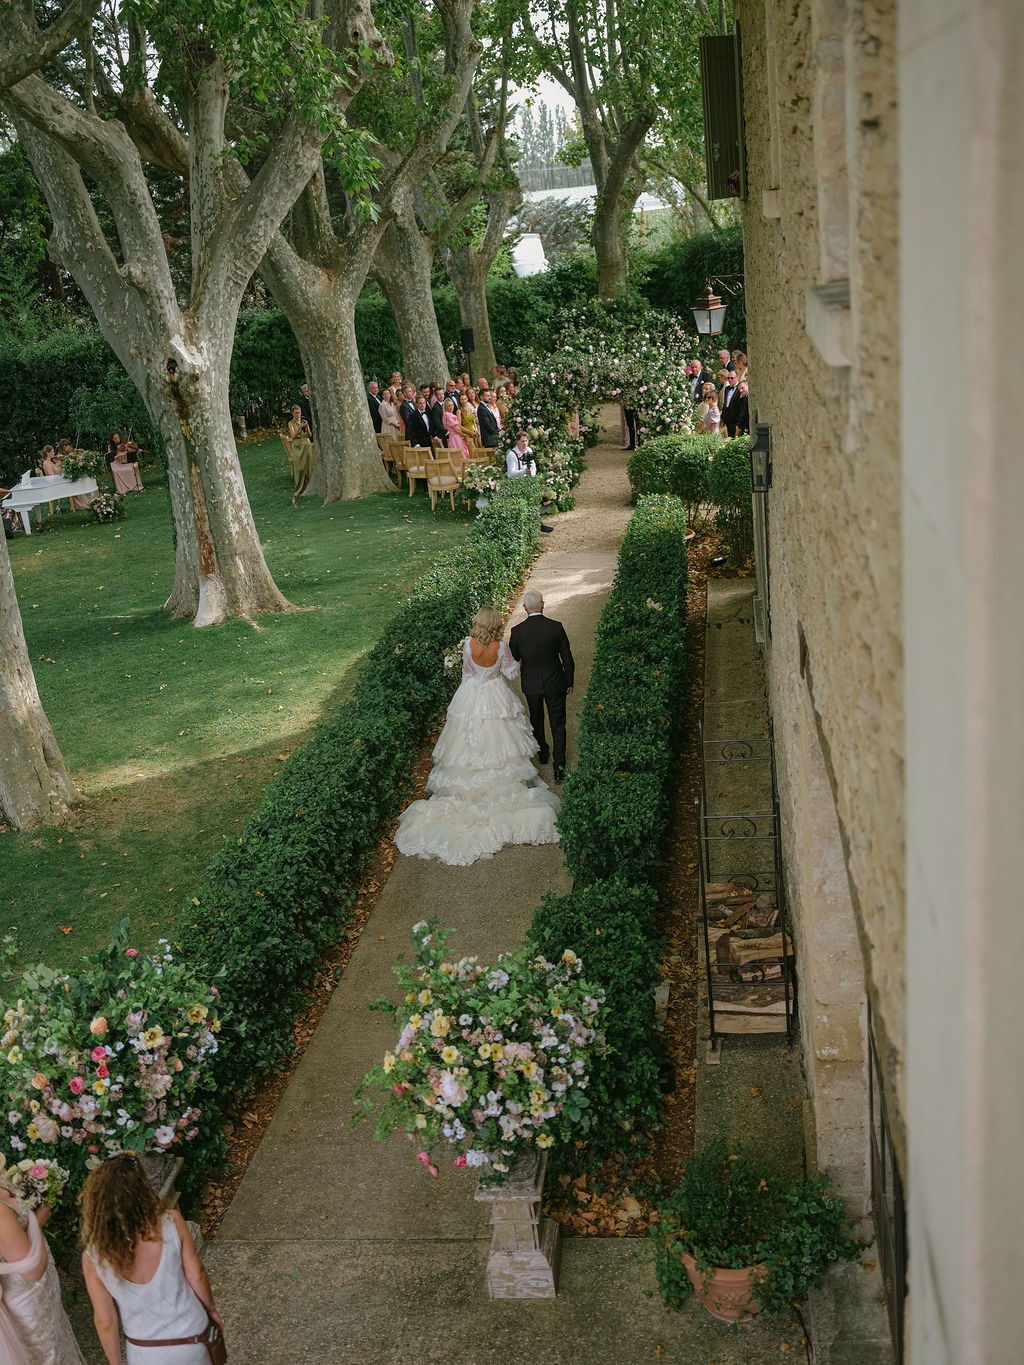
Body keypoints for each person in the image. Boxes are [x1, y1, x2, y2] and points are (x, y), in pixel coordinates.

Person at [394, 607, 560, 866]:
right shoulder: (501, 646)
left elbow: (467, 674)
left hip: (470, 695)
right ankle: (502, 789)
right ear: (495, 624)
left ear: (478, 623)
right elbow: (510, 674)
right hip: (495, 695)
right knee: (502, 742)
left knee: (466, 742)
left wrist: (467, 698)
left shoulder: (469, 645)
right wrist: (519, 664)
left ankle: (466, 790)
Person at [80, 1155, 222, 1365]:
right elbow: (196, 1275)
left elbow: (106, 1321)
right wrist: (211, 1310)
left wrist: (115, 1363)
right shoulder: (172, 1222)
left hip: (146, 1352)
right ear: (142, 1190)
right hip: (193, 1337)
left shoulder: (93, 1256)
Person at [0, 1178, 85, 1364]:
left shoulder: (3, 1182)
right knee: (45, 1354)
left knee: (57, 1343)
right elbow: (32, 1270)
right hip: (27, 1300)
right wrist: (38, 1219)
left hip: (41, 1295)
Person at [509, 589, 575, 784]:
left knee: (536, 719)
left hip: (531, 684)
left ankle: (543, 753)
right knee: (558, 723)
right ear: (543, 604)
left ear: (524, 608)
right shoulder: (556, 627)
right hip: (555, 681)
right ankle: (559, 766)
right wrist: (569, 681)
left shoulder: (517, 631)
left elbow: (513, 659)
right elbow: (567, 658)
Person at [287, 403, 314, 498]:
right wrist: (299, 427)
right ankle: (299, 488)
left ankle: (310, 485)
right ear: (292, 413)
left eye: (299, 413)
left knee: (309, 466)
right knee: (299, 467)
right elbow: (293, 436)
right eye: (296, 413)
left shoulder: (304, 421)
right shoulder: (291, 423)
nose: (298, 415)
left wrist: (306, 427)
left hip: (306, 445)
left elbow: (309, 435)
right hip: (297, 447)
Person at [442, 397, 469, 470]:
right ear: (446, 407)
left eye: (452, 405)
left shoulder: (448, 414)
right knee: (459, 455)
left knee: (459, 454)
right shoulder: (448, 415)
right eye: (449, 406)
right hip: (455, 437)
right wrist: (463, 435)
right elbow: (456, 429)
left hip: (455, 437)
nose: (451, 407)